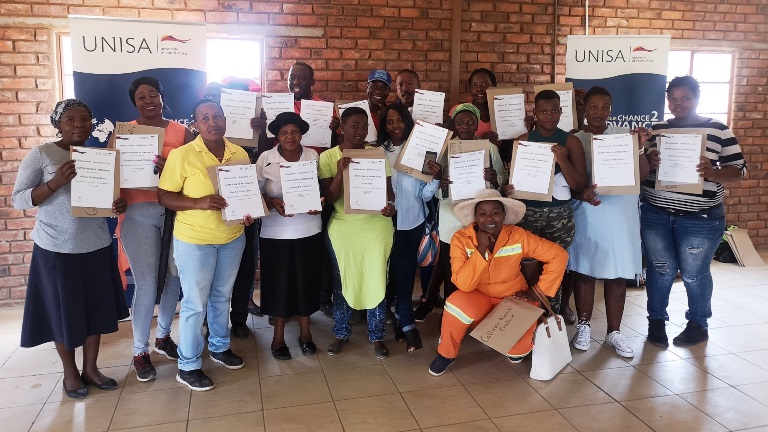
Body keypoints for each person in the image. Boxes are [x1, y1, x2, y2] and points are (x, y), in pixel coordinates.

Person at [12, 99, 130, 398]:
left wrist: (117, 205)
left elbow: (103, 204)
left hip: (96, 246)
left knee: (96, 310)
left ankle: (91, 369)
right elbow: (19, 199)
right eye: (71, 120)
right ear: (58, 124)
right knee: (61, 313)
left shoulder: (99, 156)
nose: (79, 125)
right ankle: (70, 373)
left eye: (85, 119)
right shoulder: (41, 154)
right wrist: (54, 183)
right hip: (55, 250)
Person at [641, 76, 745, 348]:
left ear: (696, 99)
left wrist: (715, 173)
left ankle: (698, 324)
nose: (678, 104)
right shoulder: (657, 129)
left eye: (685, 98)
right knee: (661, 269)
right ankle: (656, 323)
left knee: (694, 274)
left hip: (700, 218)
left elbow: (739, 168)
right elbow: (644, 166)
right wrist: (649, 160)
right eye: (673, 99)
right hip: (656, 212)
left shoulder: (718, 130)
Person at [158, 99, 254, 391]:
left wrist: (247, 213)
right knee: (194, 303)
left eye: (217, 116)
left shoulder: (239, 153)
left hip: (232, 238)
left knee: (221, 297)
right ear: (196, 125)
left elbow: (244, 194)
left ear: (225, 119)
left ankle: (220, 347)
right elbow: (164, 196)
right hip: (195, 241)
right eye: (205, 118)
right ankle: (187, 365)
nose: (213, 122)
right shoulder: (183, 155)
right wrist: (198, 203)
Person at [428, 190, 568, 375]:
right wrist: (481, 248)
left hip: (512, 297)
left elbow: (558, 255)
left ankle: (498, 334)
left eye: (495, 212)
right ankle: (446, 354)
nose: (489, 218)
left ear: (504, 215)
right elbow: (464, 285)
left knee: (518, 352)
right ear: (475, 217)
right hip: (477, 297)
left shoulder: (518, 235)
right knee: (456, 304)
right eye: (483, 213)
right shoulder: (461, 239)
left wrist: (540, 291)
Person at [117, 77, 194, 382]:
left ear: (162, 96)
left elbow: (195, 172)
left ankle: (163, 337)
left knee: (174, 278)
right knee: (148, 283)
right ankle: (139, 350)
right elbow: (110, 174)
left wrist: (173, 171)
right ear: (134, 102)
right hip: (139, 213)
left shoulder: (182, 131)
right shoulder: (124, 132)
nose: (148, 100)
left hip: (174, 214)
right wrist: (113, 200)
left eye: (153, 94)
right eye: (140, 97)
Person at [568, 86, 651, 358]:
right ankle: (583, 325)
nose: (599, 112)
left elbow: (643, 174)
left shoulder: (623, 137)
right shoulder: (575, 139)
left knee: (618, 272)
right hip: (589, 212)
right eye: (594, 106)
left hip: (621, 214)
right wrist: (582, 194)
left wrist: (638, 148)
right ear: (585, 108)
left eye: (605, 107)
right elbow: (569, 182)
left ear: (611, 110)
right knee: (585, 270)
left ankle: (614, 331)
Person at [319, 107, 396, 359]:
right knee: (342, 281)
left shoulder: (377, 155)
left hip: (376, 227)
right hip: (343, 227)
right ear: (341, 126)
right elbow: (329, 198)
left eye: (364, 126)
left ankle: (376, 336)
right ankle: (341, 332)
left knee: (377, 278)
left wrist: (390, 207)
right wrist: (341, 172)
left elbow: (389, 193)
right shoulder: (329, 157)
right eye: (354, 125)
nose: (360, 131)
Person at [416, 103, 504, 321]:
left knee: (479, 265)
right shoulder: (445, 148)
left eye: (470, 122)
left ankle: (476, 314)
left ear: (477, 125)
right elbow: (432, 187)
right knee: (452, 270)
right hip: (451, 215)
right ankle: (452, 316)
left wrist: (494, 178)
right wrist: (442, 184)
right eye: (460, 122)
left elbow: (501, 183)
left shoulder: (490, 148)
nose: (465, 126)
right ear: (454, 124)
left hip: (480, 217)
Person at [504, 90, 588, 312]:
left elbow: (579, 184)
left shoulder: (571, 141)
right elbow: (513, 181)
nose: (549, 116)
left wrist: (563, 160)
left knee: (554, 269)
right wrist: (509, 187)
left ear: (561, 112)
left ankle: (551, 317)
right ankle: (528, 319)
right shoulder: (523, 141)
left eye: (554, 111)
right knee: (527, 269)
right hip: (528, 214)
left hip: (559, 216)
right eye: (543, 111)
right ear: (535, 113)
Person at [255, 112, 323, 360]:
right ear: (277, 136)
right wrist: (273, 203)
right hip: (275, 233)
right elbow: (256, 195)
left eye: (294, 131)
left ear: (302, 134)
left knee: (306, 283)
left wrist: (319, 202)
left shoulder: (313, 156)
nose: (290, 136)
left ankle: (306, 334)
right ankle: (278, 338)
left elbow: (319, 190)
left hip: (309, 230)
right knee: (279, 286)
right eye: (284, 132)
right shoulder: (266, 158)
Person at [375, 103, 441, 352]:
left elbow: (424, 195)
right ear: (384, 125)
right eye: (390, 122)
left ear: (407, 122)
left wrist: (434, 179)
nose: (395, 126)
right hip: (382, 223)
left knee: (403, 273)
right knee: (384, 275)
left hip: (411, 222)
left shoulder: (421, 153)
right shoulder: (377, 152)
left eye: (399, 120)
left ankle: (407, 325)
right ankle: (394, 318)